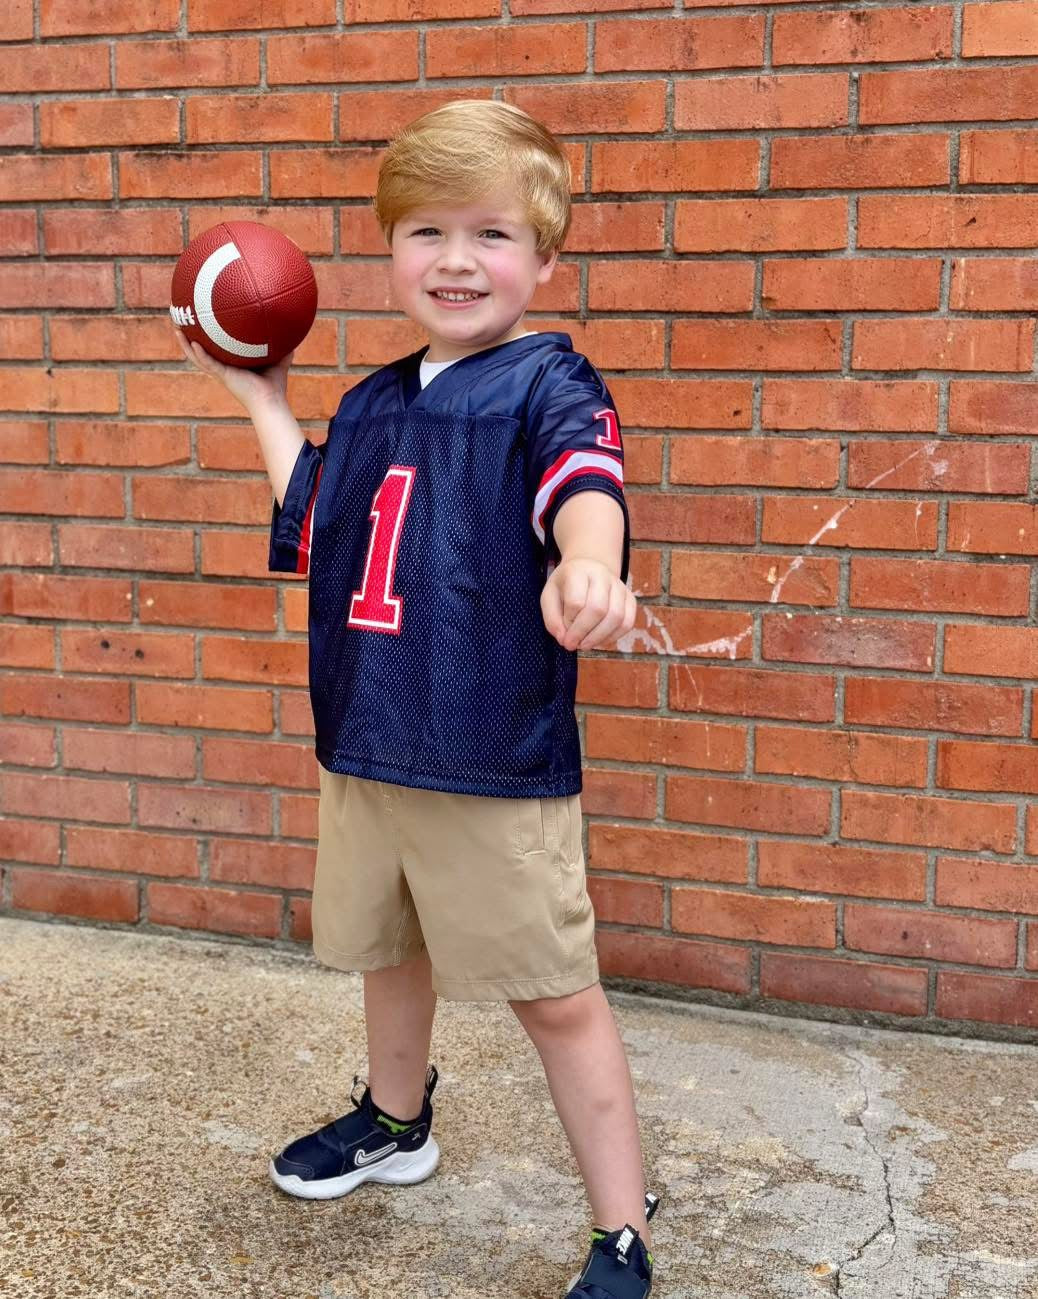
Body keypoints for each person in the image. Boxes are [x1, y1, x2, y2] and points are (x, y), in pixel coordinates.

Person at [173, 98, 661, 1299]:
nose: (456, 260)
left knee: (556, 997)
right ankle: (397, 1122)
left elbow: (585, 483)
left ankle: (621, 1229)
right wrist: (263, 397)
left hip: (488, 752)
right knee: (388, 954)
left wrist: (591, 564)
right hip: (368, 736)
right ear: (389, 249)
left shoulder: (550, 382)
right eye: (426, 231)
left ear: (545, 259)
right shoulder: (376, 400)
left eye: (492, 234)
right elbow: (323, 526)